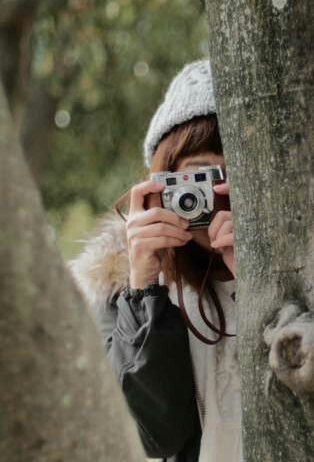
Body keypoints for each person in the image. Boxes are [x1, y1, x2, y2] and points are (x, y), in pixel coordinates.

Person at [69, 59, 241, 462]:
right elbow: (153, 438)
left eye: (231, 179)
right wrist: (144, 287)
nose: (213, 197)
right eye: (198, 178)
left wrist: (260, 282)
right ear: (162, 185)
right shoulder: (121, 292)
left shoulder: (302, 274)